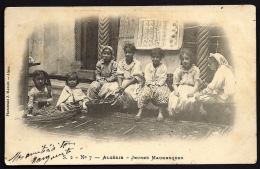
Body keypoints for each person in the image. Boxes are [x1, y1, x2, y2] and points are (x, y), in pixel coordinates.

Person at [135, 48, 170, 122]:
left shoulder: (163, 67)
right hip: (149, 84)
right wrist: (150, 85)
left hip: (160, 85)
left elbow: (163, 78)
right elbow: (147, 77)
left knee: (161, 92)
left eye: (157, 57)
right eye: (153, 57)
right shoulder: (148, 66)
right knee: (144, 93)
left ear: (161, 58)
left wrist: (157, 86)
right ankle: (140, 112)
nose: (155, 59)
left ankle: (160, 113)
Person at [168, 47, 200, 120]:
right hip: (181, 88)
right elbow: (175, 83)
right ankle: (176, 116)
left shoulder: (195, 69)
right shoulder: (179, 69)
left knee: (190, 100)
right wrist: (176, 90)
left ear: (191, 59)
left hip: (191, 88)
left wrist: (192, 92)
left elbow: (196, 84)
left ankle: (188, 117)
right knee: (175, 98)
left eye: (187, 59)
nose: (184, 61)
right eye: (183, 59)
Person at [110, 44, 144, 109]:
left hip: (133, 83)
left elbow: (136, 78)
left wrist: (124, 87)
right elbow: (119, 75)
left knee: (127, 91)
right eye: (126, 52)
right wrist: (120, 86)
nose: (127, 54)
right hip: (123, 81)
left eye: (129, 52)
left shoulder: (137, 63)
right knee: (113, 89)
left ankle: (127, 107)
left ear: (133, 53)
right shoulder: (121, 62)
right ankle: (116, 105)